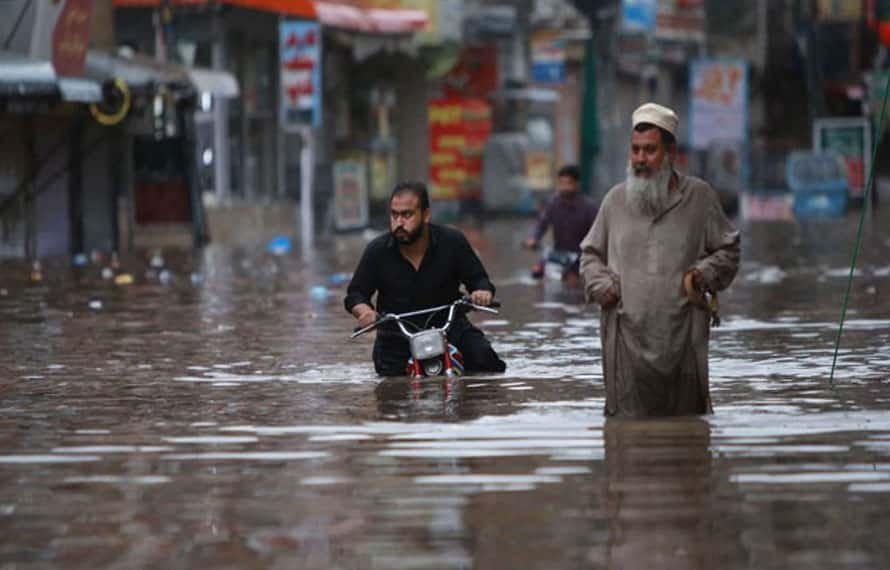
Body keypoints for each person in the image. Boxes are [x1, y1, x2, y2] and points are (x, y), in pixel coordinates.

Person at [579, 102, 740, 417]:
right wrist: (602, 285)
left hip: (683, 340)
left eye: (650, 150)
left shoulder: (699, 197)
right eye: (635, 150)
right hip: (625, 340)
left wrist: (702, 275)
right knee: (626, 437)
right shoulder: (615, 201)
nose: (640, 159)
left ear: (670, 153)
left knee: (688, 431)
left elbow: (729, 249)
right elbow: (590, 255)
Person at [345, 181, 507, 376]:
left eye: (407, 215)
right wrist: (364, 312)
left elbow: (479, 279)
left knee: (487, 362)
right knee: (391, 385)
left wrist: (482, 292)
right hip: (397, 337)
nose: (399, 223)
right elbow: (356, 293)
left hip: (450, 329)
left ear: (426, 215)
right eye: (394, 215)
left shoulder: (452, 241)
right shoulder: (377, 251)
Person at [523, 164, 598, 283]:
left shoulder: (589, 207)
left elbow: (598, 235)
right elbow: (541, 224)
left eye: (568, 183)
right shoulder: (553, 203)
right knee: (536, 273)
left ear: (576, 184)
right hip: (557, 254)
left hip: (580, 257)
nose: (565, 187)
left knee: (572, 281)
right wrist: (533, 238)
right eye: (562, 183)